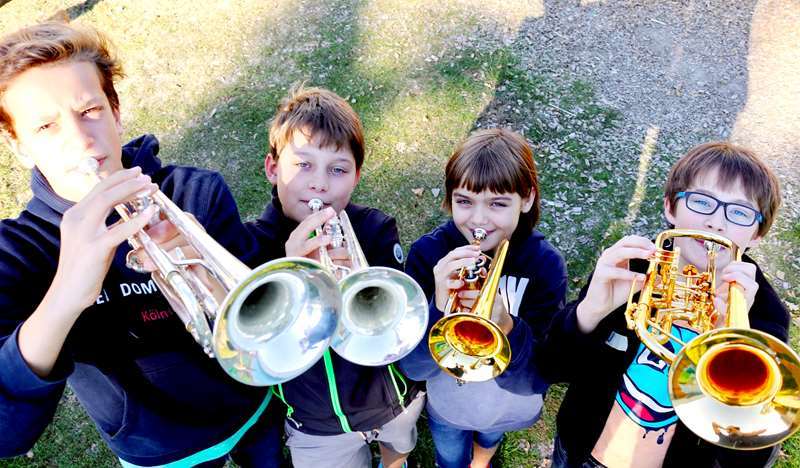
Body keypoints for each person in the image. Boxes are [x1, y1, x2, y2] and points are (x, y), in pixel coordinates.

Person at [0, 21, 280, 467]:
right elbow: (5, 434)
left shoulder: (195, 193)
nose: (79, 139)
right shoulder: (16, 251)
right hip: (158, 451)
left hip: (250, 408)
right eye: (46, 126)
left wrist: (202, 269)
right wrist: (64, 297)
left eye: (89, 110)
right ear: (18, 145)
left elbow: (264, 317)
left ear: (115, 110)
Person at [542, 142, 789, 468]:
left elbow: (749, 458)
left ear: (757, 234)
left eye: (740, 212)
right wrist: (590, 311)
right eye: (702, 201)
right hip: (580, 450)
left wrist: (733, 348)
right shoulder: (629, 268)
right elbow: (550, 367)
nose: (716, 223)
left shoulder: (764, 316)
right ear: (671, 208)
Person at [246, 85, 424, 468]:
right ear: (273, 168)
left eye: (338, 169)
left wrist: (358, 279)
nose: (320, 184)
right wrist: (291, 271)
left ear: (356, 175)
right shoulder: (252, 247)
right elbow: (257, 346)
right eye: (303, 165)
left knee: (399, 450)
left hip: (388, 398)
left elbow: (396, 317)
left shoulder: (375, 229)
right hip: (314, 421)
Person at [398, 128, 568, 468]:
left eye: (498, 203)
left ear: (527, 199)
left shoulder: (545, 265)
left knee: (489, 440)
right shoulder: (428, 254)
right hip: (450, 406)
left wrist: (506, 326)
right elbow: (413, 368)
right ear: (450, 200)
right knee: (448, 455)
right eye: (464, 202)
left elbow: (536, 378)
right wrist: (439, 309)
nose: (478, 220)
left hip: (511, 406)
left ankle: (483, 458)